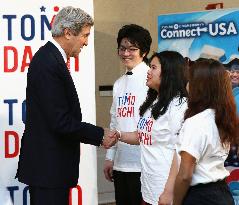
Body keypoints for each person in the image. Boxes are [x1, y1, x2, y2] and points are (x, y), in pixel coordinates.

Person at [16, 6, 116, 205]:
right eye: (85, 36)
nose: (86, 42)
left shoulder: (52, 59)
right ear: (68, 33)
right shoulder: (48, 62)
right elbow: (59, 121)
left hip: (52, 170)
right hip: (48, 170)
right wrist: (99, 134)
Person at [110, 51, 188, 205]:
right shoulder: (154, 102)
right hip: (149, 187)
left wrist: (169, 190)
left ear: (168, 73)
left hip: (166, 188)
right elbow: (142, 136)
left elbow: (181, 151)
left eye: (153, 67)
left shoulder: (179, 105)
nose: (148, 72)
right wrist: (118, 134)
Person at [173, 58, 239, 205]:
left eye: (191, 80)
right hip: (223, 193)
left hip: (200, 197)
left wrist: (175, 203)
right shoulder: (222, 117)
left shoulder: (196, 123)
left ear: (200, 86)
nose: (187, 85)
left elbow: (185, 175)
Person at [103, 24, 152, 205]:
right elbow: (115, 120)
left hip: (144, 164)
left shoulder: (151, 79)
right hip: (120, 163)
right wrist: (110, 157)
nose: (125, 54)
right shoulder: (119, 83)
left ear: (144, 52)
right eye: (122, 48)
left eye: (132, 49)